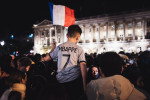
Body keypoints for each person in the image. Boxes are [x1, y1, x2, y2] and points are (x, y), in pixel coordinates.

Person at [45, 25, 87, 100]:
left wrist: (53, 48)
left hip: (60, 80)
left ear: (67, 35)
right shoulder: (79, 49)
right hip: (74, 81)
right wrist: (84, 86)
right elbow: (83, 66)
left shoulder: (59, 46)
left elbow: (46, 59)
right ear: (77, 37)